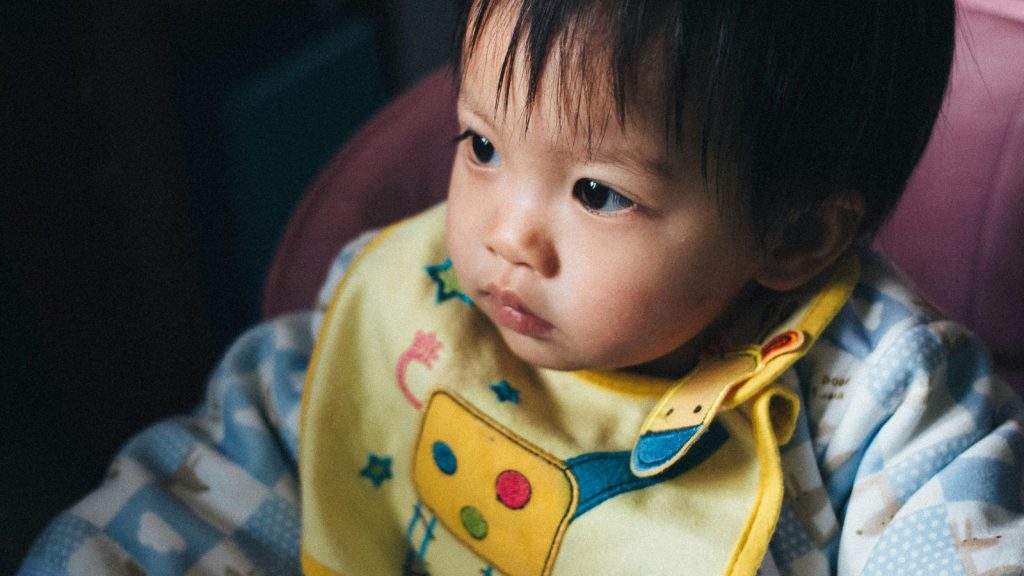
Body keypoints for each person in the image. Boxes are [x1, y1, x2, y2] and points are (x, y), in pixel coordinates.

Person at [20, 0, 1024, 575]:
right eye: (482, 144)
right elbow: (200, 503)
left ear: (793, 234)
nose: (504, 235)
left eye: (597, 192)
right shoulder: (403, 314)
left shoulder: (884, 403)